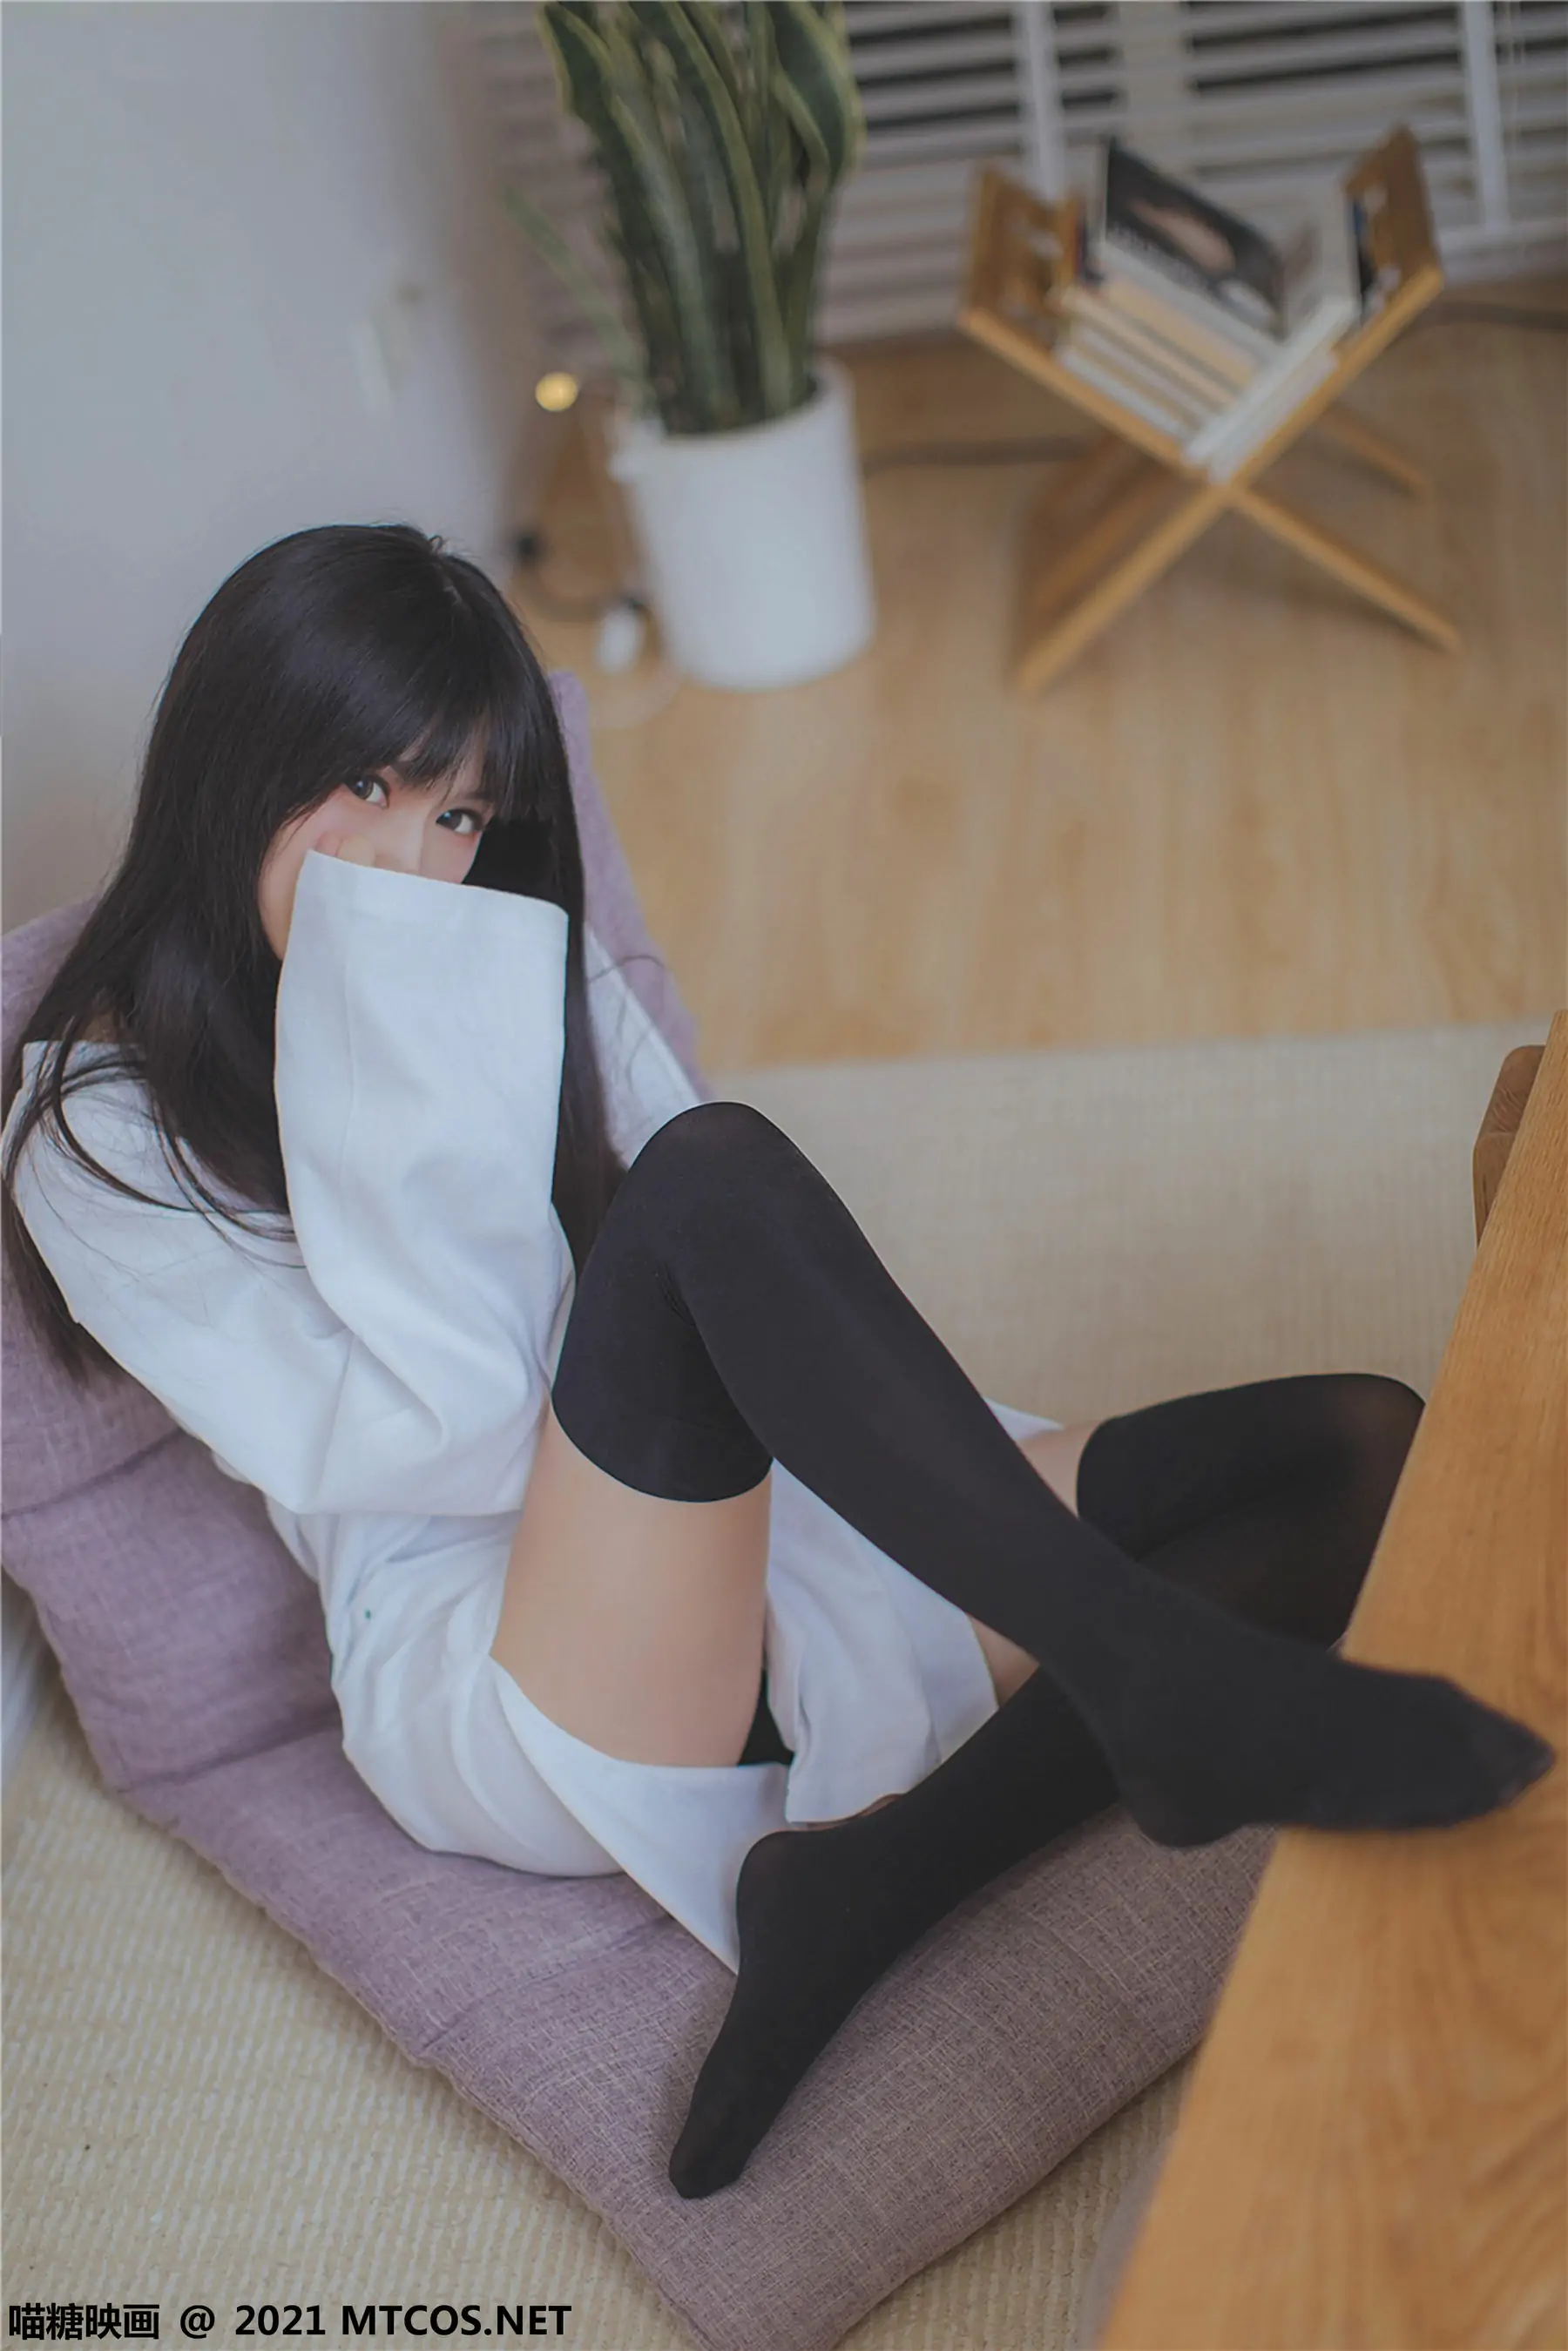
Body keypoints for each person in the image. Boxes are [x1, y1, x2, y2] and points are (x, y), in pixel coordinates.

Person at [3, 524, 1551, 2209]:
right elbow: (447, 1441)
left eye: (457, 814)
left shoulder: (510, 953)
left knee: (1358, 1446)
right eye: (369, 785)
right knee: (709, 1174)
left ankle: (869, 1885)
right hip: (505, 1653)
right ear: (243, 757)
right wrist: (392, 1030)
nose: (413, 862)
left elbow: (745, 1299)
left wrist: (464, 1015)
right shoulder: (96, 1133)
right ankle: (1149, 1674)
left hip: (751, 1529)